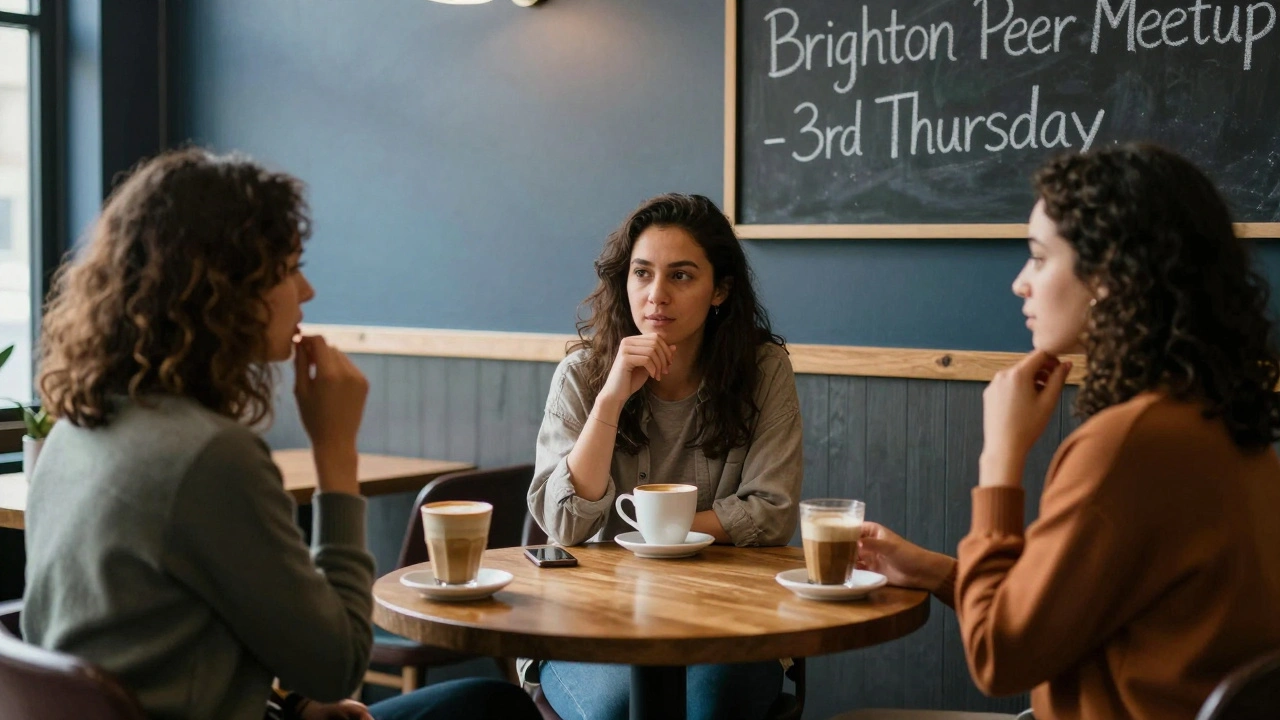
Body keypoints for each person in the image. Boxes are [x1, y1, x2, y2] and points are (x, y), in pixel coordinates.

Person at [21, 148, 539, 720]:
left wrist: (287, 706)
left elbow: (162, 642)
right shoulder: (211, 457)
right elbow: (337, 663)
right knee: (492, 706)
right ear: (227, 287)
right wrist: (336, 453)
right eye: (291, 268)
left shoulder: (76, 431)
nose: (308, 292)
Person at [856, 144, 1280, 719]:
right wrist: (934, 571)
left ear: (1110, 275)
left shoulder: (1129, 444)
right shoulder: (1216, 419)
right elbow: (1061, 616)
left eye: (1038, 257)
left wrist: (1000, 458)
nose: (1020, 284)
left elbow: (998, 658)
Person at [526, 193, 804, 720]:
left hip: (730, 619)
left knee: (707, 708)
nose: (656, 296)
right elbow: (563, 523)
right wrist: (610, 400)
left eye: (681, 276)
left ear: (719, 289)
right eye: (642, 273)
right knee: (613, 710)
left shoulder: (763, 370)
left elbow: (772, 511)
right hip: (592, 622)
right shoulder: (583, 375)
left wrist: (655, 538)